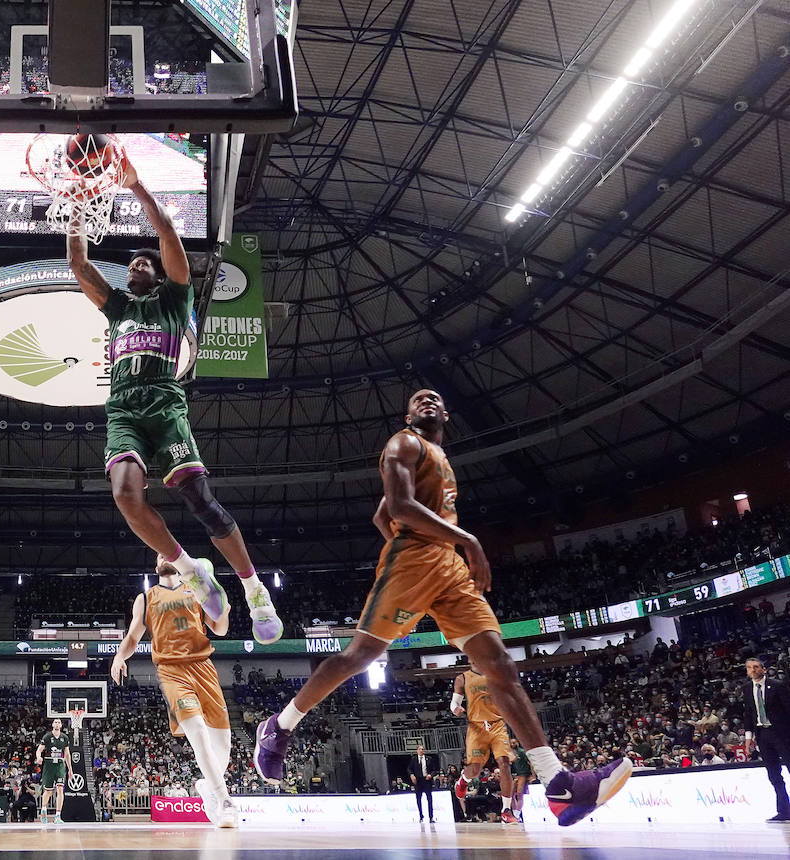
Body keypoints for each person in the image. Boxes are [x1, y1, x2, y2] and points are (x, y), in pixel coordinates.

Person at [251, 389, 632, 826]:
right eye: (418, 399)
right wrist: (463, 539)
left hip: (447, 568)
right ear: (408, 414)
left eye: (435, 398)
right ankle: (278, 726)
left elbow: (381, 515)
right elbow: (394, 508)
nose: (427, 401)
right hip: (412, 560)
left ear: (447, 414)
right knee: (360, 656)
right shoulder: (403, 443)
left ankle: (559, 785)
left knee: (499, 665)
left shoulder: (438, 457)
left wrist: (446, 543)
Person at [66, 152, 282, 645]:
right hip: (123, 407)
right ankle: (191, 570)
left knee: (199, 500)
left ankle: (253, 590)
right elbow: (78, 262)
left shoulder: (175, 297)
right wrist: (77, 201)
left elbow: (168, 237)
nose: (138, 263)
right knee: (124, 495)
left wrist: (136, 186)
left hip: (165, 403)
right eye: (132, 262)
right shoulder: (117, 307)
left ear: (159, 274)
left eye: (145, 261)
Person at [110, 555, 238, 828]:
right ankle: (225, 799)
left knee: (223, 743)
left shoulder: (198, 588)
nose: (164, 556)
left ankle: (208, 786)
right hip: (171, 671)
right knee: (198, 734)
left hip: (204, 667)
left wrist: (223, 609)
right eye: (159, 554)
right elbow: (133, 637)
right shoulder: (145, 598)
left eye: (168, 553)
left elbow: (221, 629)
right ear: (156, 566)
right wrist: (120, 656)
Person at [451, 665, 517, 824]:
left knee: (504, 763)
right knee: (475, 769)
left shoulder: (497, 673)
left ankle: (506, 810)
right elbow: (454, 703)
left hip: (497, 725)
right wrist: (456, 709)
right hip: (477, 727)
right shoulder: (462, 678)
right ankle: (463, 781)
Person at [742, 657, 790, 821]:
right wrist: (749, 738)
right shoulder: (747, 688)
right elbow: (748, 714)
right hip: (762, 734)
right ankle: (784, 811)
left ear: (763, 669)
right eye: (749, 668)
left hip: (782, 734)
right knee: (774, 774)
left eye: (756, 667)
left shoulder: (777, 685)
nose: (753, 670)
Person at [35, 719, 73, 824]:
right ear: (52, 725)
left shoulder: (64, 738)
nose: (57, 724)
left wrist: (70, 770)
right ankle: (43, 809)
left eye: (59, 722)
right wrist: (38, 757)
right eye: (55, 722)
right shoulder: (47, 737)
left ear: (61, 725)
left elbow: (67, 754)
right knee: (48, 791)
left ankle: (58, 816)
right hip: (49, 764)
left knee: (60, 789)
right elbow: (39, 750)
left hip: (60, 764)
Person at [509, 736, 534, 821]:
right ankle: (515, 813)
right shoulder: (510, 753)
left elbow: (531, 763)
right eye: (511, 743)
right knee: (511, 795)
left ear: (517, 743)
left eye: (514, 742)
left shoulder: (522, 752)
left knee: (520, 794)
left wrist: (533, 775)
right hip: (515, 775)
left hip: (523, 774)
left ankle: (517, 814)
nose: (513, 744)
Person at [409, 744, 435, 822]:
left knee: (429, 799)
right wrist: (411, 775)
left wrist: (431, 775)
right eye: (420, 749)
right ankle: (421, 816)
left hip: (426, 780)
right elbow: (409, 768)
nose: (421, 750)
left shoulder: (429, 759)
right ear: (417, 750)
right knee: (418, 799)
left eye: (423, 749)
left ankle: (431, 817)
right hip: (418, 781)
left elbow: (434, 769)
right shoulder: (414, 759)